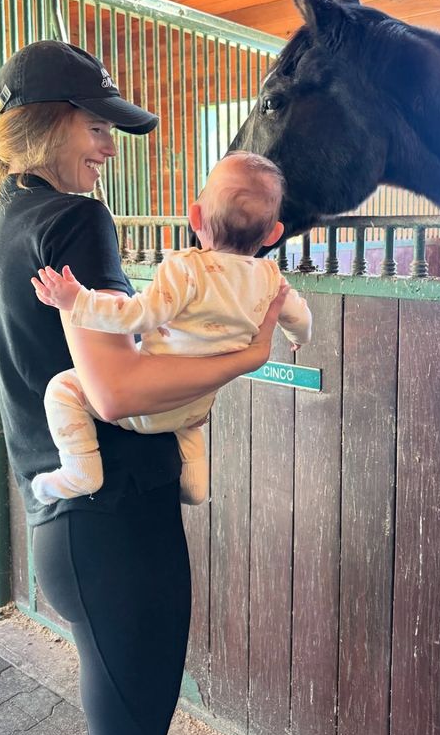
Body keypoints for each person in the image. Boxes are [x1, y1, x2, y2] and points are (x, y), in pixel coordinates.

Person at [0, 39, 289, 735]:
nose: (108, 146)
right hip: (117, 530)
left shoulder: (8, 215)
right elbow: (116, 392)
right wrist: (246, 355)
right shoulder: (76, 218)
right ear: (44, 126)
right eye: (93, 125)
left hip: (66, 528)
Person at [29, 151, 312, 507]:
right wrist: (297, 338)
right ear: (273, 234)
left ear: (195, 216)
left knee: (62, 390)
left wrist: (77, 301)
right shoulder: (271, 278)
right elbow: (301, 318)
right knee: (188, 416)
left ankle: (80, 468)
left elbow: (136, 316)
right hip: (195, 405)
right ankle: (194, 486)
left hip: (148, 405)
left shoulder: (186, 269)